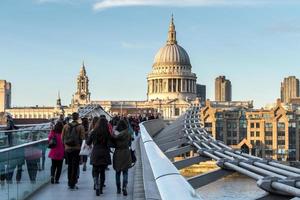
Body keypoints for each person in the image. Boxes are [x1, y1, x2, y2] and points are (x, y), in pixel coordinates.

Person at [86, 118, 111, 196]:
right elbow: (111, 143)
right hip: (104, 153)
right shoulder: (107, 132)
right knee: (102, 172)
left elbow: (88, 142)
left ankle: (96, 183)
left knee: (95, 170)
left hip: (95, 152)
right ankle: (100, 188)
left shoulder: (94, 132)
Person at [62, 112, 85, 190]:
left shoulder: (65, 126)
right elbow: (82, 138)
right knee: (75, 166)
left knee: (69, 166)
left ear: (72, 117)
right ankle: (73, 183)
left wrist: (66, 145)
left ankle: (69, 183)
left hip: (68, 149)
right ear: (78, 118)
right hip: (76, 149)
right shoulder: (80, 127)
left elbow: (62, 138)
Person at [112, 119, 132, 196]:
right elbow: (130, 143)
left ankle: (118, 189)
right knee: (125, 171)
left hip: (118, 152)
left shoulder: (116, 135)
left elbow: (113, 141)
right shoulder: (128, 133)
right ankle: (124, 187)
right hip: (126, 152)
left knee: (117, 172)